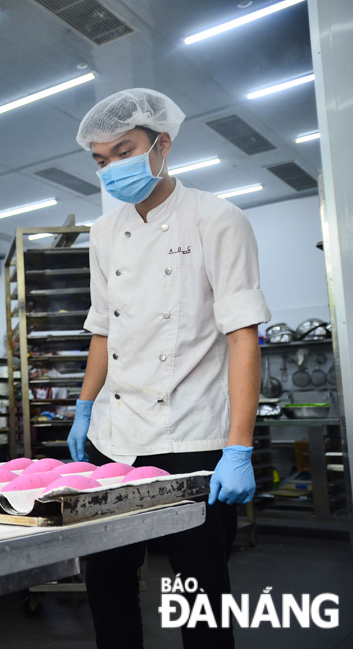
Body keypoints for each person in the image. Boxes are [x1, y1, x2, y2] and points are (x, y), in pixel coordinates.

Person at [68, 89, 270, 649]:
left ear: (163, 144)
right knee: (106, 583)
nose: (113, 168)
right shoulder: (103, 234)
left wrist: (238, 446)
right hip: (117, 440)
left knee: (200, 596)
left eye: (124, 151)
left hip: (193, 438)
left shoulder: (217, 218)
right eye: (102, 159)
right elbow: (103, 329)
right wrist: (86, 407)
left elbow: (243, 334)